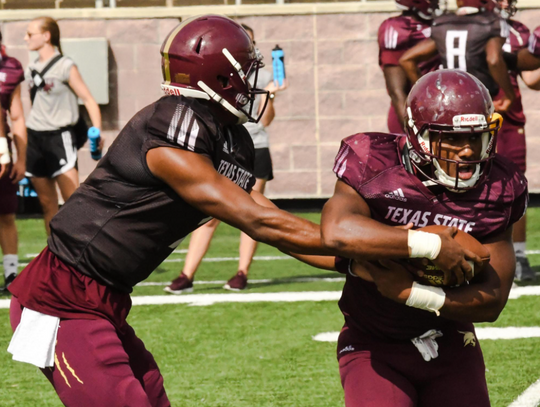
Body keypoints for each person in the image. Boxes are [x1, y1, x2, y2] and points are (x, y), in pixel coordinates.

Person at [7, 16, 477, 407]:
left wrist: (363, 261)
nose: (256, 83)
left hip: (106, 299)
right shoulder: (171, 127)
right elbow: (259, 221)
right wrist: (418, 242)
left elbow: (269, 219)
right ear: (220, 77)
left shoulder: (225, 136)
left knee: (152, 397)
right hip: (60, 297)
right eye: (246, 72)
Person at [320, 70, 528, 407]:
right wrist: (429, 245)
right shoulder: (374, 161)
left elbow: (492, 301)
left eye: (475, 137)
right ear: (419, 135)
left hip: (451, 340)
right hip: (374, 341)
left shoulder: (499, 186)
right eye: (453, 138)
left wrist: (413, 293)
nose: (466, 150)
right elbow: (337, 232)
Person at [165, 23, 287, 293]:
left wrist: (273, 96)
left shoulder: (264, 75)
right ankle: (187, 274)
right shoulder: (218, 72)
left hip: (255, 145)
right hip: (223, 147)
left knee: (252, 212)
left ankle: (242, 272)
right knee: (209, 213)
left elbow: (264, 121)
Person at [24, 16, 102, 235]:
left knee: (72, 203)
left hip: (60, 137)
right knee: (47, 205)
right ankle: (54, 253)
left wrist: (97, 131)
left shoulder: (65, 66)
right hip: (34, 139)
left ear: (46, 36)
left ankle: (83, 250)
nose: (25, 38)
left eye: (30, 34)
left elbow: (88, 99)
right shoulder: (31, 67)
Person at [399, 0, 515, 113]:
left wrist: (427, 92)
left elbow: (406, 59)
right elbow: (494, 60)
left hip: (449, 99)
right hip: (479, 98)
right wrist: (509, 94)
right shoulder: (492, 23)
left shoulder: (442, 23)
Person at [378, 0, 440, 133]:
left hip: (440, 110)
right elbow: (397, 92)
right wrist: (413, 132)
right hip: (413, 113)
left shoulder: (441, 23)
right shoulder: (397, 28)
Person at [0, 31, 27, 289]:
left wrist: (21, 157)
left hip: (2, 150)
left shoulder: (10, 68)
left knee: (6, 213)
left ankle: (10, 273)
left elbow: (16, 116)